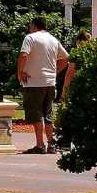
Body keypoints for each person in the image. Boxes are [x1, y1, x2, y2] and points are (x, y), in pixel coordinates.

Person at [17, 16, 68, 154]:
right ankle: (51, 144)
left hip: (34, 82)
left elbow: (23, 55)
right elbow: (64, 59)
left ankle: (40, 145)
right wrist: (54, 73)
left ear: (34, 26)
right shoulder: (53, 39)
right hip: (50, 82)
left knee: (36, 114)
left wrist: (20, 72)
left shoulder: (30, 38)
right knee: (48, 114)